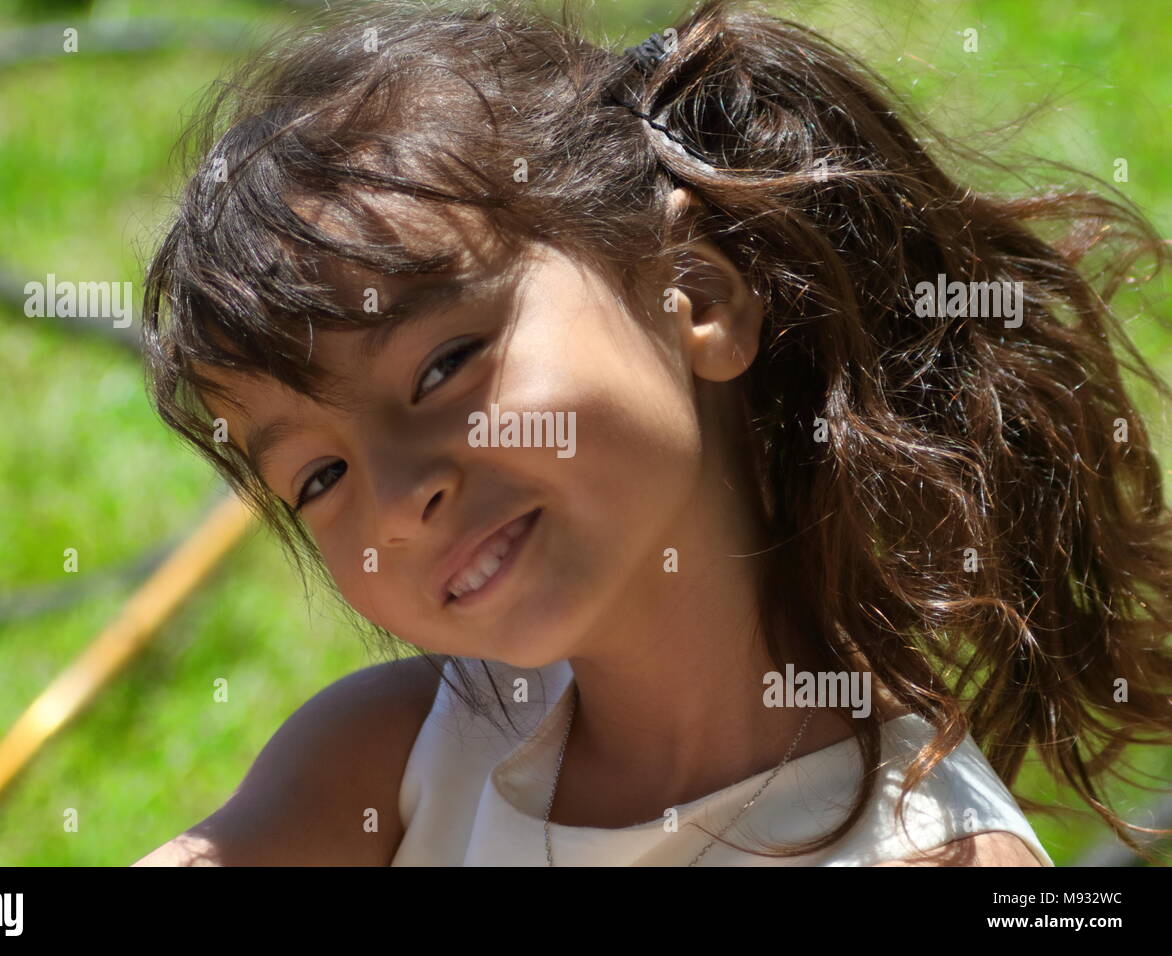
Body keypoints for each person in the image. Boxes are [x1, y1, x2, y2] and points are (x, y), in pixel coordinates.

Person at [131, 0, 1172, 866]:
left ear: (694, 295)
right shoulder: (387, 760)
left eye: (445, 365)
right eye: (318, 474)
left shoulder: (932, 853)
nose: (401, 496)